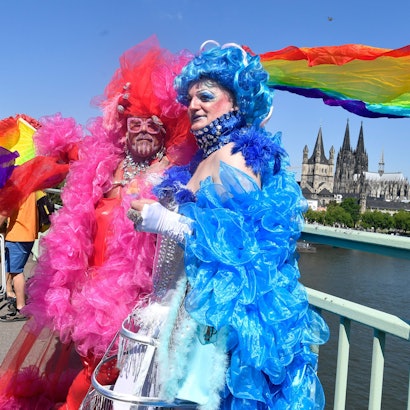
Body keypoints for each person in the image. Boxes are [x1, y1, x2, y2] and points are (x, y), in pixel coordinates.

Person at [86, 41, 330, 409]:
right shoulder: (206, 157)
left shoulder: (239, 157)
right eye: (190, 98)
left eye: (206, 96)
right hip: (179, 310)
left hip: (209, 331)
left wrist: (164, 221)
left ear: (237, 101)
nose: (193, 105)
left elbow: (241, 250)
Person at [0, 37, 197, 409]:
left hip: (134, 300)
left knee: (111, 380)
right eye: (133, 122)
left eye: (152, 123)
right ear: (121, 126)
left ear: (166, 129)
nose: (141, 129)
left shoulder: (171, 174)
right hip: (85, 293)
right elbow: (60, 151)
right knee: (93, 372)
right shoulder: (103, 167)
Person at [0, 191, 37, 322]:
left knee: (16, 272)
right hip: (28, 234)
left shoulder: (18, 191)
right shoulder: (30, 190)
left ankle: (21, 307)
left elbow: (5, 213)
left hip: (17, 235)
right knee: (15, 269)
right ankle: (21, 302)